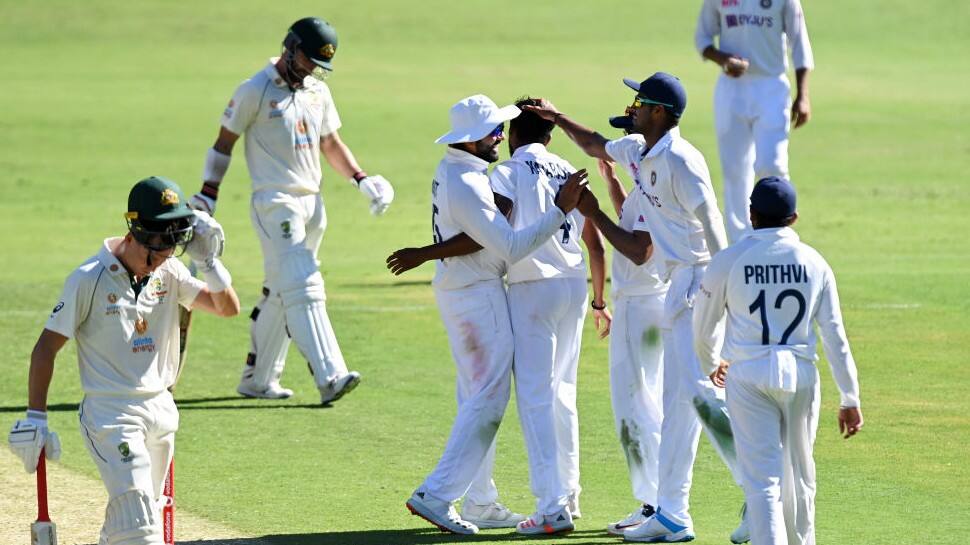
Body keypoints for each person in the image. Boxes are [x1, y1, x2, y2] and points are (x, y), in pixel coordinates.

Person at [523, 72, 749, 543]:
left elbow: (715, 230)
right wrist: (558, 116)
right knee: (681, 407)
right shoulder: (639, 150)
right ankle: (673, 512)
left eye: (640, 102)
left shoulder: (682, 161)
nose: (632, 108)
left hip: (700, 284)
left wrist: (725, 310)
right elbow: (595, 144)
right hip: (678, 287)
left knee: (703, 401)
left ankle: (761, 490)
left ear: (660, 111)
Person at [388, 94, 588, 534]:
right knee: (490, 397)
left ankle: (479, 500)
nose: (500, 135)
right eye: (493, 131)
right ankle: (438, 495)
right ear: (471, 139)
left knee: (477, 395)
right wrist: (559, 209)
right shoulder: (471, 184)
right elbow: (511, 246)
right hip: (477, 296)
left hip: (469, 291)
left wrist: (425, 254)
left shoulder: (461, 171)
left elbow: (483, 236)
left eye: (502, 128)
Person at [7, 177, 240, 545]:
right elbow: (45, 349)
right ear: (134, 233)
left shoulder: (169, 272)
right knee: (141, 527)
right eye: (153, 255)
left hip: (161, 410)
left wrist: (209, 263)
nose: (158, 264)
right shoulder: (89, 279)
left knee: (133, 522)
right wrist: (36, 416)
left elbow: (228, 308)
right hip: (110, 414)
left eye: (167, 254)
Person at [191, 16, 394, 402]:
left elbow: (331, 143)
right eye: (307, 61)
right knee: (303, 284)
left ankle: (258, 379)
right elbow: (223, 143)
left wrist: (361, 179)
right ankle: (330, 376)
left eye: (319, 64)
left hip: (312, 204)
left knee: (282, 291)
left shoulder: (317, 91)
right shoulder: (255, 89)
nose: (312, 70)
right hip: (274, 203)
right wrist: (208, 193)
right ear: (290, 47)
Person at [693, 177, 863, 545]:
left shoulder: (729, 260)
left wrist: (711, 362)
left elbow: (703, 325)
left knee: (762, 482)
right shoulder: (814, 262)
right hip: (801, 374)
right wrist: (849, 398)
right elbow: (835, 336)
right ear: (794, 218)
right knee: (800, 476)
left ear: (751, 215)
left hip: (748, 374)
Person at [486, 98, 607, 536]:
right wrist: (598, 299)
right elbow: (594, 242)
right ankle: (570, 496)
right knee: (563, 393)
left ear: (513, 134)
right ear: (549, 135)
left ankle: (551, 505)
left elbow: (494, 224)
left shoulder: (506, 172)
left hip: (531, 287)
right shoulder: (566, 168)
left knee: (535, 396)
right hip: (572, 286)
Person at [695, 0, 815, 242]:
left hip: (771, 86)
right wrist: (723, 58)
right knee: (734, 169)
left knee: (772, 165)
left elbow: (800, 43)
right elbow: (703, 39)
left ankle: (779, 235)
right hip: (732, 89)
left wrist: (803, 95)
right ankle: (741, 242)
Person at [594, 153, 669, 536]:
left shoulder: (654, 185)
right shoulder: (650, 185)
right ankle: (659, 502)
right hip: (649, 305)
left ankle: (655, 505)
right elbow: (635, 220)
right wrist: (611, 186)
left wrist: (594, 212)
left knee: (636, 408)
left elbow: (640, 250)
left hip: (640, 308)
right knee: (645, 404)